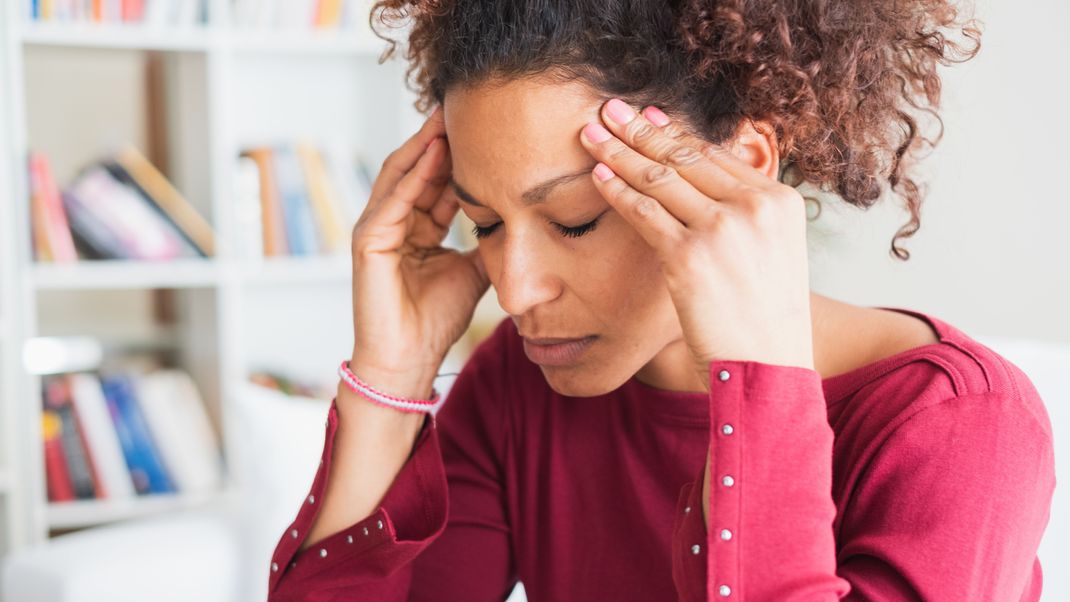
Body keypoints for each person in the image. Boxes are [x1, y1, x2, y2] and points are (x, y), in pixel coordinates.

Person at [266, 1, 1056, 600]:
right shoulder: (522, 383)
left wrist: (758, 383)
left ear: (744, 169)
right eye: (487, 223)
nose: (513, 289)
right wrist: (390, 376)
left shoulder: (956, 425)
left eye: (575, 222)